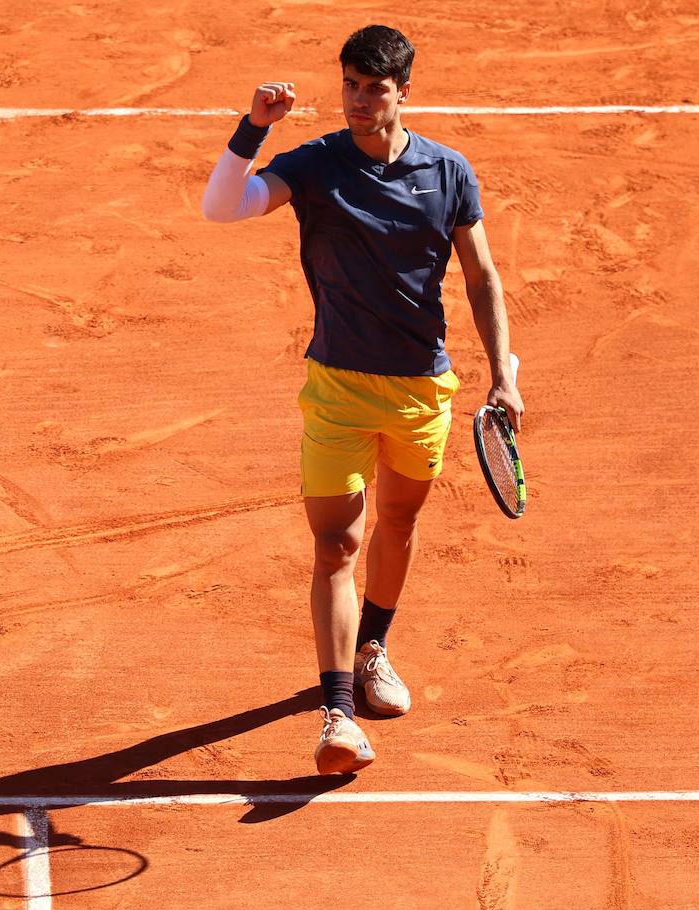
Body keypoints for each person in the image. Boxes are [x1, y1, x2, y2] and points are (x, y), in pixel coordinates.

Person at [201, 24, 524, 775]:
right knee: (335, 545)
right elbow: (223, 208)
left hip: (420, 388)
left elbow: (481, 278)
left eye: (373, 88)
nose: (356, 101)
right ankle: (338, 713)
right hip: (339, 389)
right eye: (348, 85)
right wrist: (253, 128)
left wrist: (503, 373)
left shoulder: (448, 172)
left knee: (400, 523)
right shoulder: (316, 165)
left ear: (403, 91)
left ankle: (375, 645)